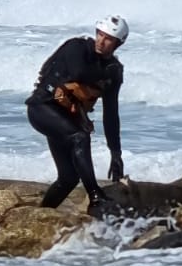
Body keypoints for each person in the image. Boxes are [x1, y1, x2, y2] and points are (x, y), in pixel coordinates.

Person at [27, 14, 129, 210]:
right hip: (42, 108)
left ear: (118, 44)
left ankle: (42, 213)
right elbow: (78, 73)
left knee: (69, 178)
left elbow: (111, 114)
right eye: (100, 34)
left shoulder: (113, 70)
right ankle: (95, 195)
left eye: (108, 39)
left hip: (67, 118)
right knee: (79, 136)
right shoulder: (77, 47)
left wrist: (115, 153)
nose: (101, 41)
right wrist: (108, 74)